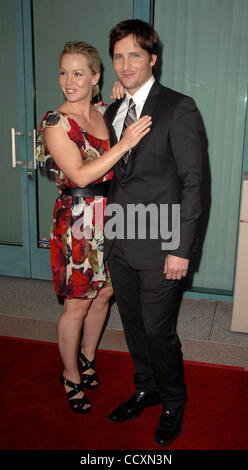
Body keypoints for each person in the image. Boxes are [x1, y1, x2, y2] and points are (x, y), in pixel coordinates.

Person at [103, 20, 205, 445]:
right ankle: (145, 386)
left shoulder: (178, 107)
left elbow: (194, 183)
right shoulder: (112, 110)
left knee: (157, 327)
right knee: (131, 322)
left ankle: (174, 399)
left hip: (162, 243)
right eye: (119, 56)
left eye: (135, 55)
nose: (126, 65)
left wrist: (181, 249)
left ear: (152, 59)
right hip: (118, 237)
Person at [36, 40, 151, 414]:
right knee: (77, 306)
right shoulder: (55, 122)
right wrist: (125, 144)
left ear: (95, 77)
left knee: (104, 295)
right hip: (78, 220)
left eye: (78, 73)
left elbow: (130, 102)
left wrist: (122, 95)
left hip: (111, 215)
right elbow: (81, 172)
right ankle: (69, 375)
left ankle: (87, 358)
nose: (69, 81)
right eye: (64, 72)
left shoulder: (105, 111)